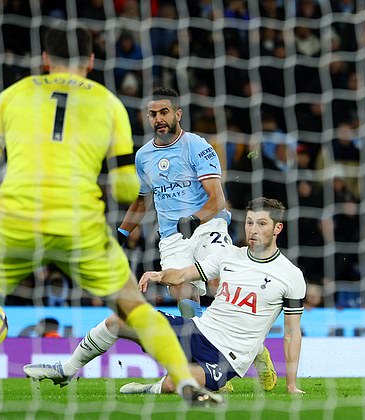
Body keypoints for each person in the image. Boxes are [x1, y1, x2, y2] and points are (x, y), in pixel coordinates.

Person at [0, 26, 223, 412]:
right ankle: (186, 383)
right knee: (133, 305)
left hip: (15, 217)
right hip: (78, 223)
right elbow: (120, 190)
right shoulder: (108, 104)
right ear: (91, 62)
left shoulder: (11, 96)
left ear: (45, 60)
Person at [24, 197, 306, 395]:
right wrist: (159, 275)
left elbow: (292, 333)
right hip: (197, 330)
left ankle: (151, 389)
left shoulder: (290, 275)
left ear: (277, 228)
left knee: (177, 384)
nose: (253, 230)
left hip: (228, 358)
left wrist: (291, 384)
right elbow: (186, 274)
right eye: (250, 223)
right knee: (119, 320)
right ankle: (67, 368)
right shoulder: (228, 256)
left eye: (262, 225)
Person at [116, 87, 276, 392]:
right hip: (172, 236)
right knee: (183, 295)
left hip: (207, 225)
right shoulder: (144, 156)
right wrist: (122, 233)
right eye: (153, 114)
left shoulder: (197, 147)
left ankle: (257, 352)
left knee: (220, 287)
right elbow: (141, 202)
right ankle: (210, 363)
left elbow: (218, 199)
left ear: (177, 114)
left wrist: (194, 220)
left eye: (164, 112)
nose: (159, 119)